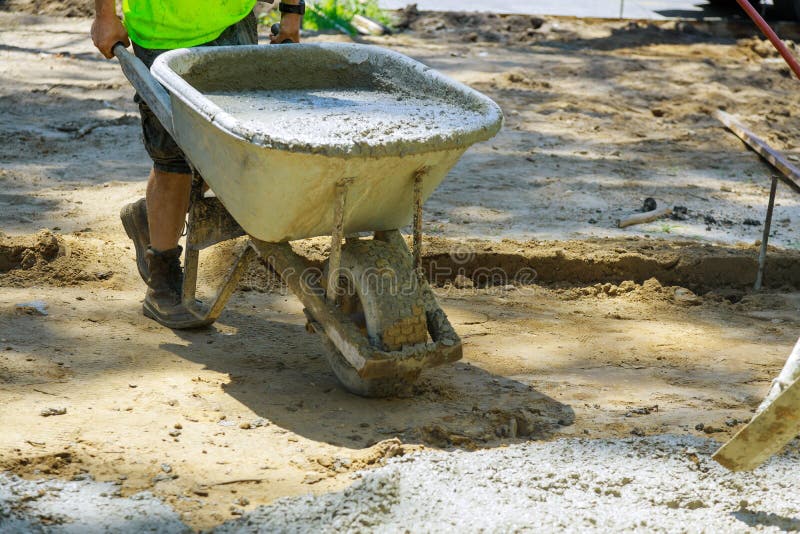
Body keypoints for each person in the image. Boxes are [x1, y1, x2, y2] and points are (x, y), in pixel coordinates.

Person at [91, 0, 303, 328]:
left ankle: (152, 217)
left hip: (232, 25)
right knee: (174, 158)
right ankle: (162, 286)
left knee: (225, 149)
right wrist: (105, 15)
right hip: (161, 34)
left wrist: (291, 12)